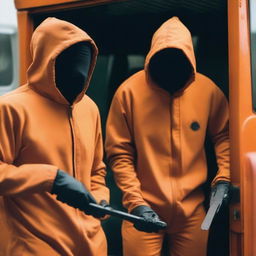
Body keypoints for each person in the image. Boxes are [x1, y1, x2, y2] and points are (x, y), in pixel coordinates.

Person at [105, 16, 230, 256]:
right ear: (152, 58)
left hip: (194, 212)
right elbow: (119, 154)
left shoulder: (207, 91)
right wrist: (136, 204)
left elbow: (225, 137)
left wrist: (224, 179)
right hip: (141, 210)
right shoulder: (128, 93)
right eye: (165, 60)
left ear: (190, 59)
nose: (172, 67)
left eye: (179, 61)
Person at [0, 17, 109, 256]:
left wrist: (100, 199)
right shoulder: (11, 108)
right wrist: (51, 178)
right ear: (47, 60)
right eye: (68, 60)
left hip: (92, 244)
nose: (79, 71)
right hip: (34, 243)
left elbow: (96, 170)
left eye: (85, 60)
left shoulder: (89, 109)